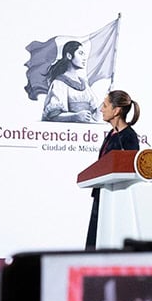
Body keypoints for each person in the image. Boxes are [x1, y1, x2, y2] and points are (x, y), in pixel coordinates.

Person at [85, 90, 141, 249]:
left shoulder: (129, 137)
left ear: (116, 110)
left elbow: (129, 171)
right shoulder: (111, 134)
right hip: (102, 194)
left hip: (116, 199)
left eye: (105, 105)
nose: (101, 109)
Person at [42, 41, 100, 123]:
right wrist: (75, 116)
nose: (84, 58)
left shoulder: (84, 83)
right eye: (80, 53)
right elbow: (53, 116)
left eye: (84, 54)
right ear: (69, 56)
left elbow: (95, 114)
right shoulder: (59, 83)